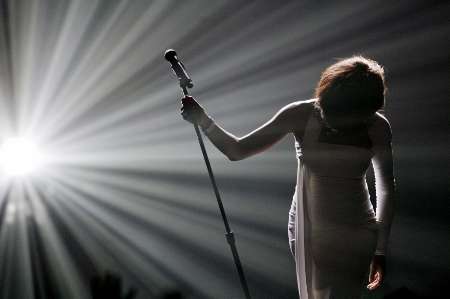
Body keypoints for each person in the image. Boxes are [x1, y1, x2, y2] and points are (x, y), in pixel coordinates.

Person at [180, 55, 396, 299]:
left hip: (357, 231)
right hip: (309, 229)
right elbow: (237, 150)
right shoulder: (300, 114)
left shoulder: (377, 126)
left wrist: (380, 249)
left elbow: (386, 187)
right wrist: (203, 120)